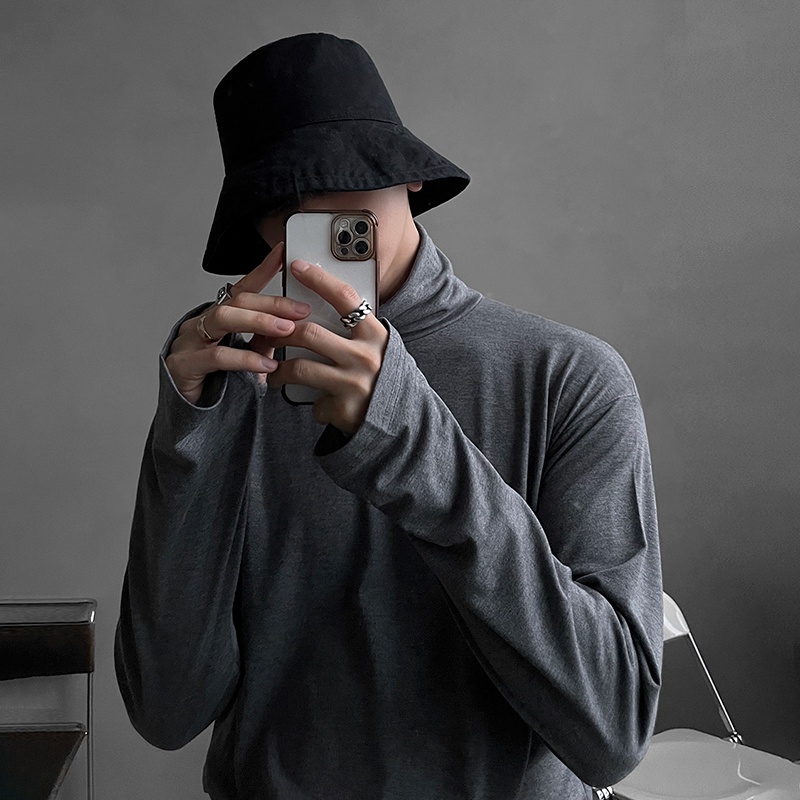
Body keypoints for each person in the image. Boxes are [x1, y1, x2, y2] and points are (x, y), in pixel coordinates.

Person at [115, 32, 663, 800]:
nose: (316, 212)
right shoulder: (229, 376)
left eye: (347, 181)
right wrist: (188, 437)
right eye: (283, 202)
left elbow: (612, 728)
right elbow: (167, 708)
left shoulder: (568, 377)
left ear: (408, 175)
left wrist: (403, 434)